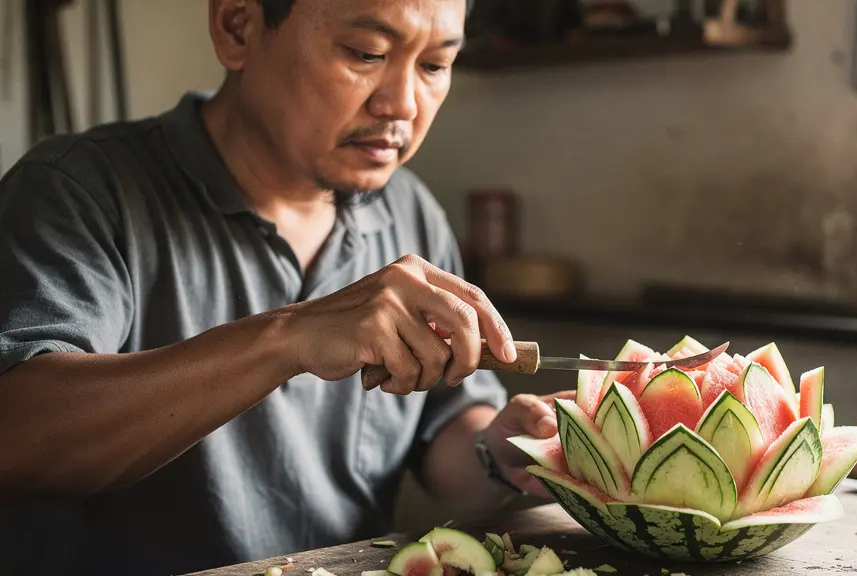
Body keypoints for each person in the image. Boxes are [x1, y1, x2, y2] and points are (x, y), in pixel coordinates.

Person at [0, 0, 569, 574]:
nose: (402, 105)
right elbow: (15, 440)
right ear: (237, 28)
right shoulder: (75, 190)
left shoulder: (409, 210)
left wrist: (500, 450)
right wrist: (288, 338)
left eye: (434, 66)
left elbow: (443, 428)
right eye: (366, 53)